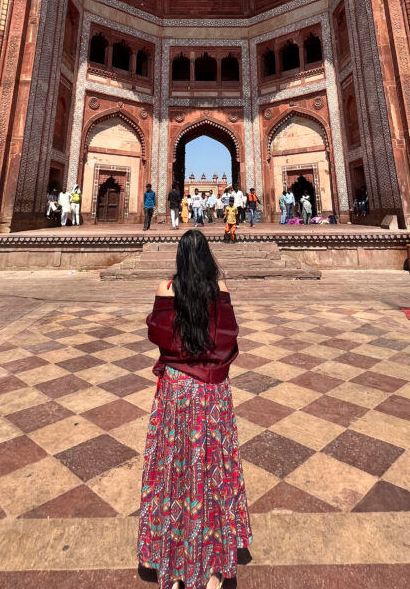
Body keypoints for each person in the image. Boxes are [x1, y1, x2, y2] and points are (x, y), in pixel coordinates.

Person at [137, 229, 252, 589]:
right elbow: (227, 338)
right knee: (213, 472)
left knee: (174, 471)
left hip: (175, 392)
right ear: (207, 257)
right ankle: (215, 567)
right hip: (212, 394)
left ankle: (172, 567)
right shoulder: (221, 291)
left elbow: (158, 335)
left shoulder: (166, 289)